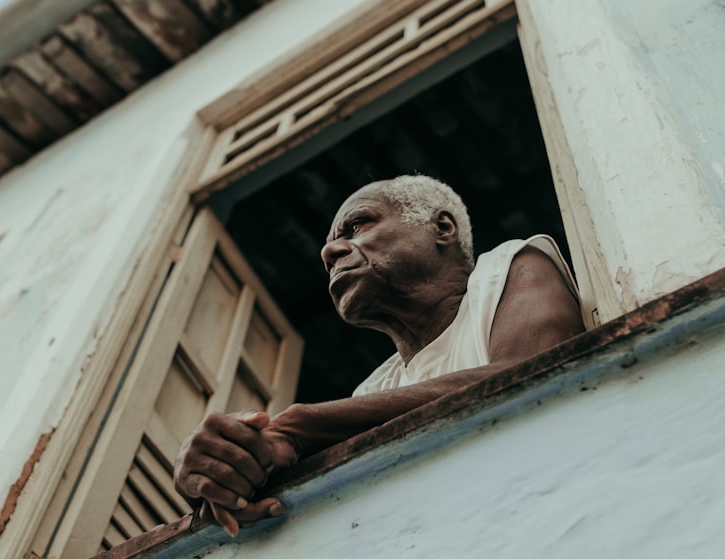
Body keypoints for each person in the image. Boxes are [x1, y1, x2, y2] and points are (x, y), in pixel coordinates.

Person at [173, 175, 585, 536]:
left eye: (356, 226)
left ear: (441, 228)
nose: (330, 253)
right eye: (331, 245)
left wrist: (304, 426)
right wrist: (224, 469)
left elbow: (532, 373)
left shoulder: (507, 267)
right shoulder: (374, 388)